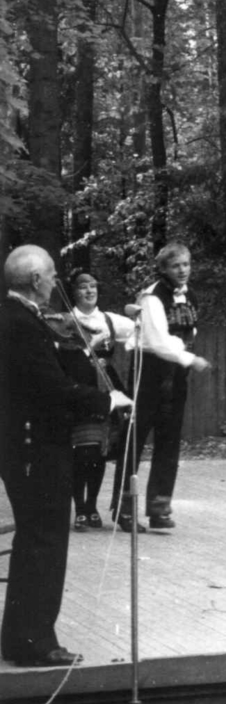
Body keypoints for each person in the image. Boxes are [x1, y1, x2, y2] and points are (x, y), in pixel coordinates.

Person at [0, 246, 133, 667]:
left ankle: (23, 637)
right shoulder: (21, 323)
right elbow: (49, 388)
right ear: (37, 280)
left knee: (35, 539)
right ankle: (34, 643)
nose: (56, 281)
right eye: (53, 275)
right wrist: (105, 401)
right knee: (44, 540)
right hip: (33, 447)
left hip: (29, 445)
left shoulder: (20, 319)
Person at [112, 242, 213, 532]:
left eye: (186, 264)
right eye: (176, 266)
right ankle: (124, 509)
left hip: (176, 372)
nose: (182, 270)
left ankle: (159, 507)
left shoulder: (189, 295)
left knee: (169, 440)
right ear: (163, 269)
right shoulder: (152, 297)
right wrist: (189, 358)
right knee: (136, 439)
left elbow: (188, 330)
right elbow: (156, 341)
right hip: (150, 371)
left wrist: (184, 356)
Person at [59, 268, 135, 532]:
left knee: (100, 452)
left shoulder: (110, 320)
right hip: (82, 387)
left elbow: (143, 332)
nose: (89, 291)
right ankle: (79, 508)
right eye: (82, 286)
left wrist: (139, 312)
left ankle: (91, 506)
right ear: (74, 292)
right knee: (83, 450)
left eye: (93, 285)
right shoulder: (66, 321)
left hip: (106, 385)